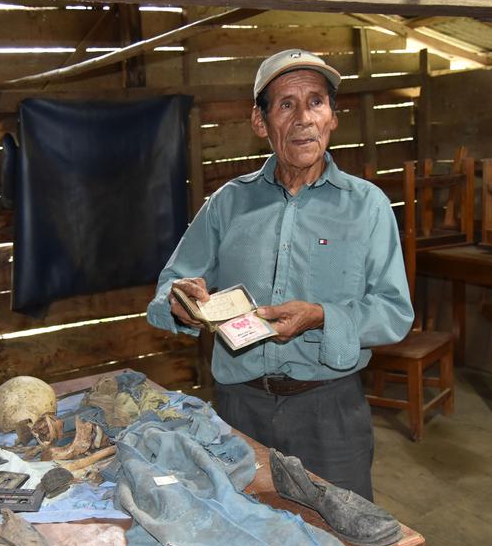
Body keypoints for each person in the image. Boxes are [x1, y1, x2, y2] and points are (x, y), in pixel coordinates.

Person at [146, 49, 414, 500]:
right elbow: (171, 281)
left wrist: (321, 316)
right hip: (238, 410)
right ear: (260, 122)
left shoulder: (367, 206)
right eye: (286, 104)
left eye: (316, 102)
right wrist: (179, 300)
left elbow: (393, 313)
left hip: (330, 413)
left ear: (332, 117)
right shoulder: (228, 203)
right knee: (241, 537)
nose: (304, 118)